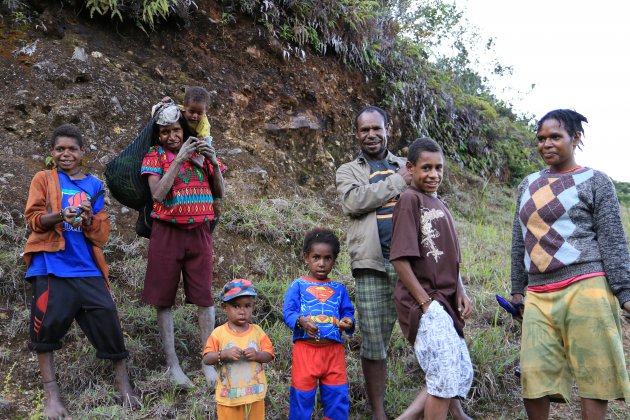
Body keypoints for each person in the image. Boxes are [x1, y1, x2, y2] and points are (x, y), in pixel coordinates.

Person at [510, 109, 630, 419]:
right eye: (541, 139)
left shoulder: (596, 181)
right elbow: (518, 239)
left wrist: (625, 292)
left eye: (555, 137)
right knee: (533, 375)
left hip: (587, 286)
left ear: (575, 139)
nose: (546, 144)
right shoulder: (528, 184)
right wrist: (517, 289)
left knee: (595, 374)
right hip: (538, 292)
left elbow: (613, 239)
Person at [23, 124, 137, 417]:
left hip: (87, 268)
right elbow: (33, 219)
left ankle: (124, 387)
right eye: (59, 148)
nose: (66, 154)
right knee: (44, 331)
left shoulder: (94, 185)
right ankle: (52, 397)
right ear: (51, 152)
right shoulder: (43, 179)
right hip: (51, 265)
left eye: (72, 148)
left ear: (82, 152)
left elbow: (101, 235)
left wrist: (88, 220)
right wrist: (60, 215)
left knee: (109, 321)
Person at [141, 103, 225, 388]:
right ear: (159, 135)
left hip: (200, 231)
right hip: (167, 233)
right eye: (164, 132)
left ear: (184, 129)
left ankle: (207, 361)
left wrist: (213, 162)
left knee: (205, 297)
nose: (172, 136)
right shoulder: (155, 155)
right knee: (164, 299)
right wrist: (177, 160)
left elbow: (220, 193)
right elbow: (158, 195)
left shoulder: (201, 152)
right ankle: (173, 364)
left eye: (176, 130)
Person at [335, 105, 411, 419]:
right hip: (371, 265)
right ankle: (378, 412)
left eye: (376, 128)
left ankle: (450, 405)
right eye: (364, 130)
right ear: (357, 134)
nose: (371, 135)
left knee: (431, 332)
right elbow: (353, 201)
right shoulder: (348, 170)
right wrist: (397, 182)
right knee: (374, 343)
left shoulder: (408, 164)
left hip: (412, 264)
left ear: (387, 129)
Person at [390, 137, 473, 420]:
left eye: (439, 168)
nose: (434, 175)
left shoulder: (439, 203)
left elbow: (451, 256)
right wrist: (425, 303)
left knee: (451, 369)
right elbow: (400, 258)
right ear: (410, 168)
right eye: (426, 168)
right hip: (425, 302)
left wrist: (460, 290)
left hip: (445, 300)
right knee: (443, 378)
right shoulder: (409, 200)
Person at [282, 228, 356, 420]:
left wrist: (348, 321)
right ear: (306, 257)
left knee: (337, 397)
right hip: (305, 351)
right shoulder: (298, 285)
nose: (321, 263)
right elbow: (288, 312)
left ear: (334, 260)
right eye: (316, 257)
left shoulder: (339, 289)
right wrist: (301, 321)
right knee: (301, 397)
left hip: (334, 353)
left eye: (327, 258)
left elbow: (347, 312)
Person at [202, 279, 274, 420]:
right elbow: (206, 358)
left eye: (247, 306)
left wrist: (257, 355)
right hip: (229, 398)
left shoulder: (257, 332)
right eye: (236, 306)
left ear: (253, 307)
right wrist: (223, 354)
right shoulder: (219, 333)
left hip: (254, 395)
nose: (242, 311)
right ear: (225, 307)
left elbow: (269, 354)